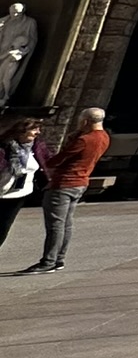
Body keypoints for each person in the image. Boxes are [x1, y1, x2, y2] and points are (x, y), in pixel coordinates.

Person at [23, 107, 106, 274]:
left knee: (55, 225)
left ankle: (48, 261)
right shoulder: (104, 137)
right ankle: (59, 259)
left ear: (85, 121)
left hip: (64, 184)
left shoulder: (84, 140)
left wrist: (44, 163)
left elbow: (59, 159)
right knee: (66, 223)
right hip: (80, 182)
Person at [0, 116, 42, 249]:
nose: (38, 132)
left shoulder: (35, 147)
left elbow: (48, 162)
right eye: (34, 129)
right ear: (21, 131)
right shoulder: (4, 148)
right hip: (2, 193)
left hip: (19, 194)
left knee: (3, 228)